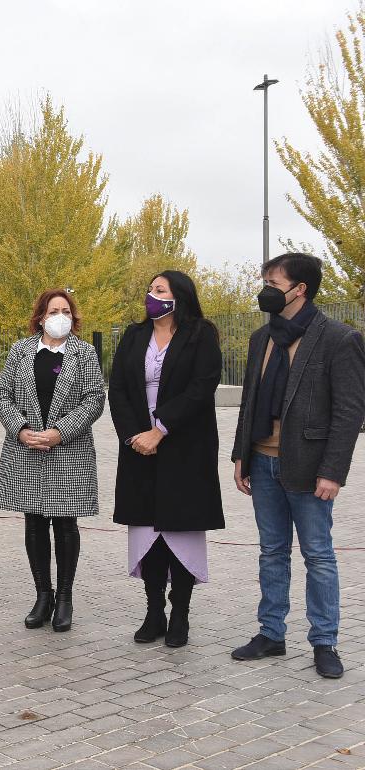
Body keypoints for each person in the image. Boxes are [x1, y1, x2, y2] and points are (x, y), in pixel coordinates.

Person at [229, 253, 365, 679]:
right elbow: (250, 400)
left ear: (299, 288)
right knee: (271, 553)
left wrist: (333, 472)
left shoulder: (339, 339)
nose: (265, 288)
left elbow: (349, 412)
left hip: (309, 467)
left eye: (273, 281)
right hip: (263, 461)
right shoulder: (261, 338)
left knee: (318, 555)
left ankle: (324, 642)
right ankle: (271, 633)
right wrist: (241, 455)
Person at [109, 272, 223, 648]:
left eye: (160, 291)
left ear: (180, 297)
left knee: (179, 531)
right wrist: (135, 435)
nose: (151, 296)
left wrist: (162, 429)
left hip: (184, 447)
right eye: (150, 289)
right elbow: (119, 390)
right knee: (147, 533)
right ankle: (154, 610)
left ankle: (181, 615)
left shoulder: (201, 334)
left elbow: (201, 387)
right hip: (140, 447)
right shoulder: (134, 335)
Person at [0, 289, 105, 632]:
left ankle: (66, 598)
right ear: (40, 316)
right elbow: (3, 394)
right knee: (35, 522)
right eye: (54, 310)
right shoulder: (21, 351)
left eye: (66, 311)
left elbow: (95, 399)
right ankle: (43, 595)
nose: (60, 316)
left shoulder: (84, 353)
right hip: (27, 449)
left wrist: (60, 431)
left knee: (65, 524)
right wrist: (21, 430)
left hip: (68, 450)